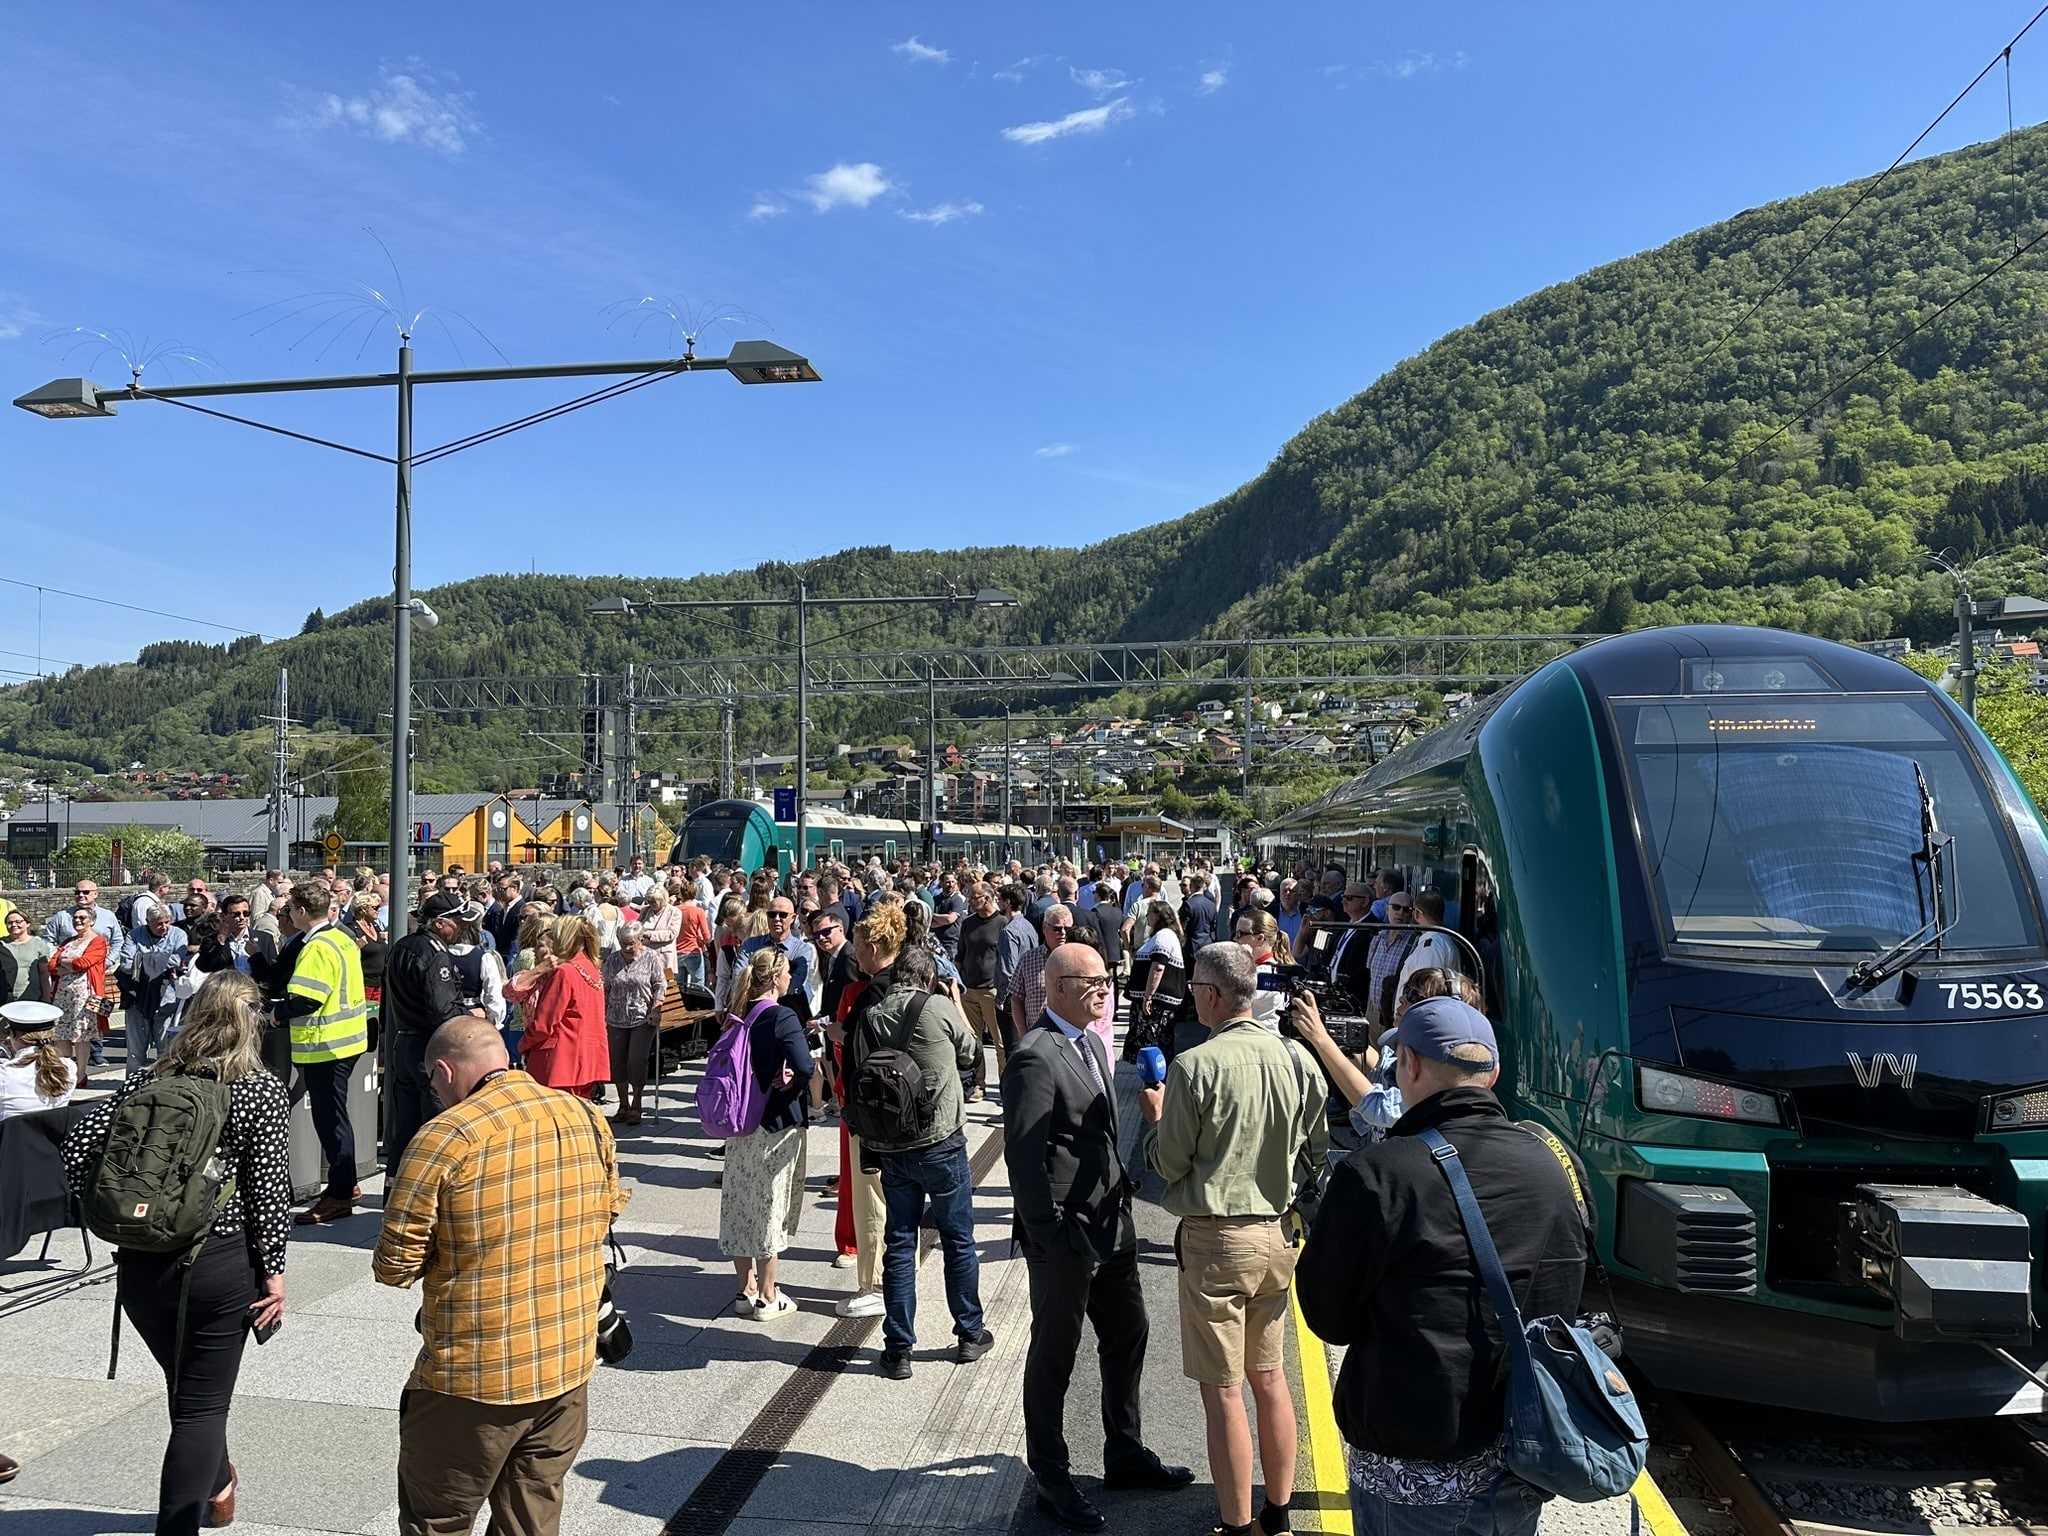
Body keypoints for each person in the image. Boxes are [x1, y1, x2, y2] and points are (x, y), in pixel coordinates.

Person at [1296, 997, 1585, 1536]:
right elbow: (1564, 1293)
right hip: (1523, 1452)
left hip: (1411, 1467)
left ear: (1409, 1063)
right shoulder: (1553, 1160)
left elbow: (1327, 1318)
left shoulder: (1378, 1172)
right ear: (1493, 1073)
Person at [374, 1015, 628, 1536]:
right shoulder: (584, 1115)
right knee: (531, 1519)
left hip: (472, 1377)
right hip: (566, 1367)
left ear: (443, 1071)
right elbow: (607, 1213)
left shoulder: (445, 1137)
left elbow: (393, 1266)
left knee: (437, 1518)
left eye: (433, 1082)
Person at [62, 971, 291, 1536]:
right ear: (252, 1021)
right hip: (218, 1260)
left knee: (187, 1388)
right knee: (201, 1407)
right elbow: (268, 1191)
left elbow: (76, 1146)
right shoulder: (260, 1090)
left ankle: (217, 1489)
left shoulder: (147, 1077)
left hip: (142, 1263)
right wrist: (275, 1275)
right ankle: (181, 1523)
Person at [1139, 942, 1327, 1536]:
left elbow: (1170, 1164)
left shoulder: (1195, 1067)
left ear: (1213, 995)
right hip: (1278, 1233)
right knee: (1270, 1379)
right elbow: (1317, 1151)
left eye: (1195, 986)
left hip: (1217, 1241)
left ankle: (1237, 1525)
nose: (1191, 994)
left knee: (1222, 1393)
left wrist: (1154, 1119)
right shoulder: (1297, 1059)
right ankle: (1278, 1514)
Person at [1005, 943, 1192, 1531]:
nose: (1105, 990)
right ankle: (1052, 1479)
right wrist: (1046, 1234)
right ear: (1057, 987)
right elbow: (1024, 1154)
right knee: (1055, 1354)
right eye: (1091, 982)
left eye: (1107, 980)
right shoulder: (1036, 1056)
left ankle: (1125, 1450)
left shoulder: (1089, 1041)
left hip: (1112, 1221)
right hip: (1068, 1233)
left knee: (1128, 1332)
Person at [844, 906, 988, 1380]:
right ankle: (968, 1334)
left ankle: (899, 1347)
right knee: (958, 1240)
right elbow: (971, 1052)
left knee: (899, 1244)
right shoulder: (939, 1008)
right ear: (927, 978)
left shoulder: (868, 1016)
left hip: (893, 1147)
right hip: (942, 1143)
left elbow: (859, 1077)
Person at [717, 948, 816, 1319]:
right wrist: (792, 1079)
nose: (790, 978)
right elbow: (805, 1065)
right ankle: (769, 1295)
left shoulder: (738, 1015)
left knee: (741, 1203)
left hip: (739, 1122)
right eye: (787, 972)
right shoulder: (782, 1016)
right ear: (775, 978)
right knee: (770, 1206)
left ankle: (745, 1290)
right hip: (776, 1123)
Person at [277, 881, 370, 1225]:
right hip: (346, 1041)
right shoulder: (341, 936)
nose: (288, 915)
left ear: (301, 912)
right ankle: (347, 1184)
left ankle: (340, 1194)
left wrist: (273, 1015)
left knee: (331, 1122)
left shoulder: (315, 946)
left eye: (290, 910)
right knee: (338, 1119)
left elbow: (307, 999)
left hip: (324, 1045)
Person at [380, 892, 478, 1176]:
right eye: (456, 922)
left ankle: (394, 1193)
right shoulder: (435, 954)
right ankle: (431, 1198)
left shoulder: (401, 946)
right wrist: (473, 1019)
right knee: (436, 1128)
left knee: (406, 1129)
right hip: (430, 1048)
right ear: (439, 923)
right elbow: (443, 1011)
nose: (460, 927)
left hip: (405, 1044)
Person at [507, 916, 611, 1097]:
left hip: (560, 1062)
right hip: (587, 1057)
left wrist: (522, 1045)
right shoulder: (591, 967)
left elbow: (544, 1023)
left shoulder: (565, 971)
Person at [601, 922, 667, 1126]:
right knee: (618, 1061)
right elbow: (605, 987)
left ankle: (637, 1104)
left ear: (640, 941)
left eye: (630, 943)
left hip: (642, 1017)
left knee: (636, 1059)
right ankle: (623, 1105)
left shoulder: (651, 957)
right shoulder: (613, 960)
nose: (626, 948)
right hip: (615, 1017)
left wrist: (656, 1008)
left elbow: (660, 984)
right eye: (623, 943)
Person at [954, 881, 1008, 1101]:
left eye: (974, 897)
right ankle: (979, 1084)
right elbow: (960, 954)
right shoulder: (968, 923)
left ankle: (1006, 1084)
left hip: (991, 990)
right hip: (969, 989)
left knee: (1000, 1042)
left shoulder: (1002, 923)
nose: (970, 901)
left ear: (987, 898)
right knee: (974, 1040)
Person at [49, 902, 111, 1089]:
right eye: (75, 918)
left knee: (81, 1035)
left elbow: (83, 963)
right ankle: (66, 1072)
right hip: (62, 995)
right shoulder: (68, 941)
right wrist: (67, 965)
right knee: (61, 1034)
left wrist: (65, 964)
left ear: (92, 921)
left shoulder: (98, 941)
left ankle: (81, 1073)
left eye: (82, 918)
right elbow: (52, 966)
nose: (78, 920)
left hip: (84, 996)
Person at [126, 903, 191, 1076]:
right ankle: (132, 1088)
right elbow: (126, 963)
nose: (164, 927)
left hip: (167, 1000)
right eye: (158, 923)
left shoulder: (178, 934)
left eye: (167, 922)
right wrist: (161, 963)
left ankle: (164, 1084)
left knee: (166, 1050)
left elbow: (178, 960)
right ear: (148, 922)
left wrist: (143, 961)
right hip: (137, 998)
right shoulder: (134, 935)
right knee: (135, 1053)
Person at [0, 998, 76, 1118]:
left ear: (14, 1036)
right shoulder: (68, 1067)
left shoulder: (5, 1073)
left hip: (10, 1136)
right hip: (52, 1135)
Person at [1232, 909, 1287, 1032]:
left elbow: (1231, 997)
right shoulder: (1259, 969)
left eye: (1241, 934)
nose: (1236, 939)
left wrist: (1243, 962)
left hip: (1263, 1040)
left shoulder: (1267, 973)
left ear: (1260, 939)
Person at [1, 907, 53, 1006]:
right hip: (4, 998)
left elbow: (44, 973)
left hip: (31, 996)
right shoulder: (1, 945)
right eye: (10, 922)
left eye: (18, 921)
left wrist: (46, 996)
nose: (14, 925)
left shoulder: (39, 945)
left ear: (27, 923)